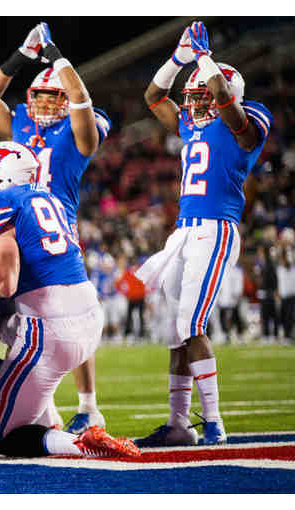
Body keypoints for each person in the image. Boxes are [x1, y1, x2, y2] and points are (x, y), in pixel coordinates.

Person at [0, 141, 139, 459]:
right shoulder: (49, 199)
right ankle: (51, 422)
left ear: (1, 176)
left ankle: (81, 444)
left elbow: (3, 284)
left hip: (49, 328)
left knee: (6, 437)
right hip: (89, 316)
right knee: (10, 329)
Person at [136, 21, 272, 446]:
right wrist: (179, 58)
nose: (193, 104)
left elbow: (231, 109)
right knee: (176, 332)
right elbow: (153, 96)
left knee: (191, 324)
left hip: (215, 230)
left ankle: (214, 423)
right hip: (183, 233)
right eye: (192, 96)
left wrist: (204, 59)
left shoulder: (248, 121)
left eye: (201, 95)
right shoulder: (191, 125)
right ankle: (178, 424)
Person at [0, 22, 111, 435]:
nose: (45, 104)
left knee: (64, 314)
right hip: (14, 225)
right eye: (40, 96)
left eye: (55, 96)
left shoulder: (79, 128)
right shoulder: (22, 123)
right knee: (15, 312)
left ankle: (88, 405)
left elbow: (82, 101)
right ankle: (38, 398)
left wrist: (54, 56)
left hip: (56, 228)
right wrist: (22, 55)